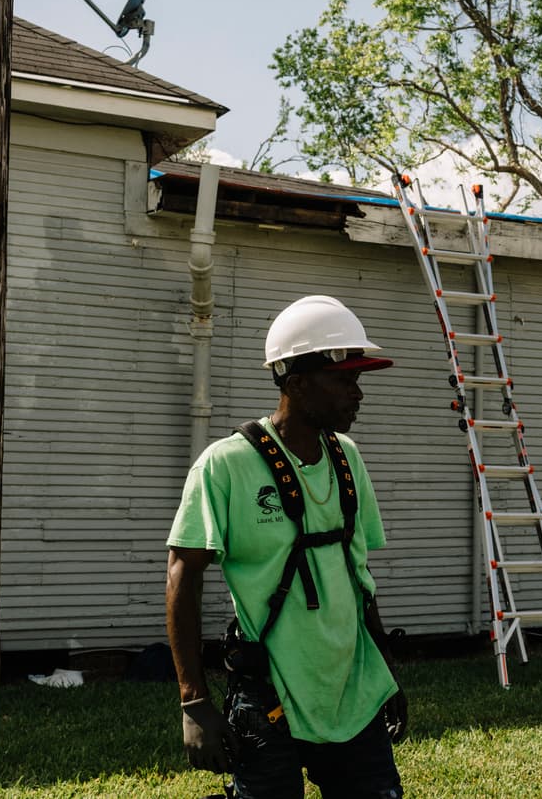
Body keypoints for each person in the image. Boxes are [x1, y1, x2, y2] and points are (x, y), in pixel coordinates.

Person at [166, 294, 407, 799]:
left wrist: (384, 674)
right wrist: (194, 703)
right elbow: (182, 574)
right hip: (269, 696)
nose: (358, 393)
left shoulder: (349, 459)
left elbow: (357, 574)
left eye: (358, 380)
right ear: (296, 384)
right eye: (345, 380)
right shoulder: (226, 465)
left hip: (353, 690)